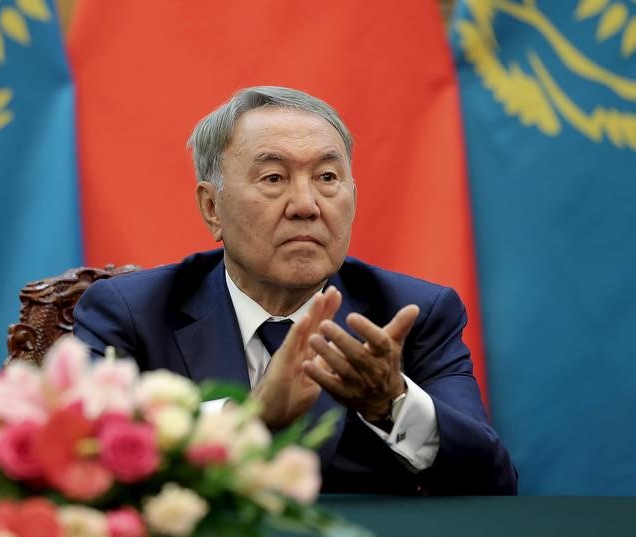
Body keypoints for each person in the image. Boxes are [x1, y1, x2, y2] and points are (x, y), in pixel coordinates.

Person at [74, 86, 517, 495]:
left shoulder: (412, 315)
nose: (306, 206)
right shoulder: (132, 313)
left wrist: (393, 403)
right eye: (273, 178)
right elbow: (81, 456)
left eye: (327, 177)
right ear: (212, 208)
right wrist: (246, 421)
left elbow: (493, 482)